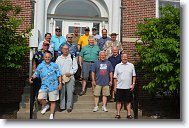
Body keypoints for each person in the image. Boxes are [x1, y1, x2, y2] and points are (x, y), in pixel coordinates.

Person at [29, 52, 62, 119]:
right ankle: (46, 105)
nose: (47, 58)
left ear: (51, 58)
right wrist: (31, 78)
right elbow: (36, 74)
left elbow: (59, 75)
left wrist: (60, 83)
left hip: (54, 85)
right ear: (43, 58)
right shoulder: (40, 66)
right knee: (39, 98)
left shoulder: (55, 65)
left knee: (53, 100)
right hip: (44, 85)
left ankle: (51, 114)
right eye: (46, 57)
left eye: (48, 57)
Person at [56, 44, 78, 113]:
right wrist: (60, 76)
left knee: (70, 92)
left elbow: (75, 67)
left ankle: (69, 107)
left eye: (67, 49)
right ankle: (62, 106)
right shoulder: (59, 58)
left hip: (70, 77)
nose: (66, 50)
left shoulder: (71, 57)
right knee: (62, 92)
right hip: (62, 78)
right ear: (62, 50)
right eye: (64, 49)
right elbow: (56, 68)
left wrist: (70, 73)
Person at [114, 53, 136, 119]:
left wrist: (133, 84)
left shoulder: (131, 65)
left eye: (126, 57)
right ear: (121, 58)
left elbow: (134, 76)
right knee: (118, 101)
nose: (124, 58)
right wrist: (115, 87)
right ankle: (118, 114)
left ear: (127, 58)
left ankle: (129, 114)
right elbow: (115, 77)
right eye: (123, 57)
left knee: (128, 101)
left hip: (128, 87)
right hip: (119, 87)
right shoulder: (117, 66)